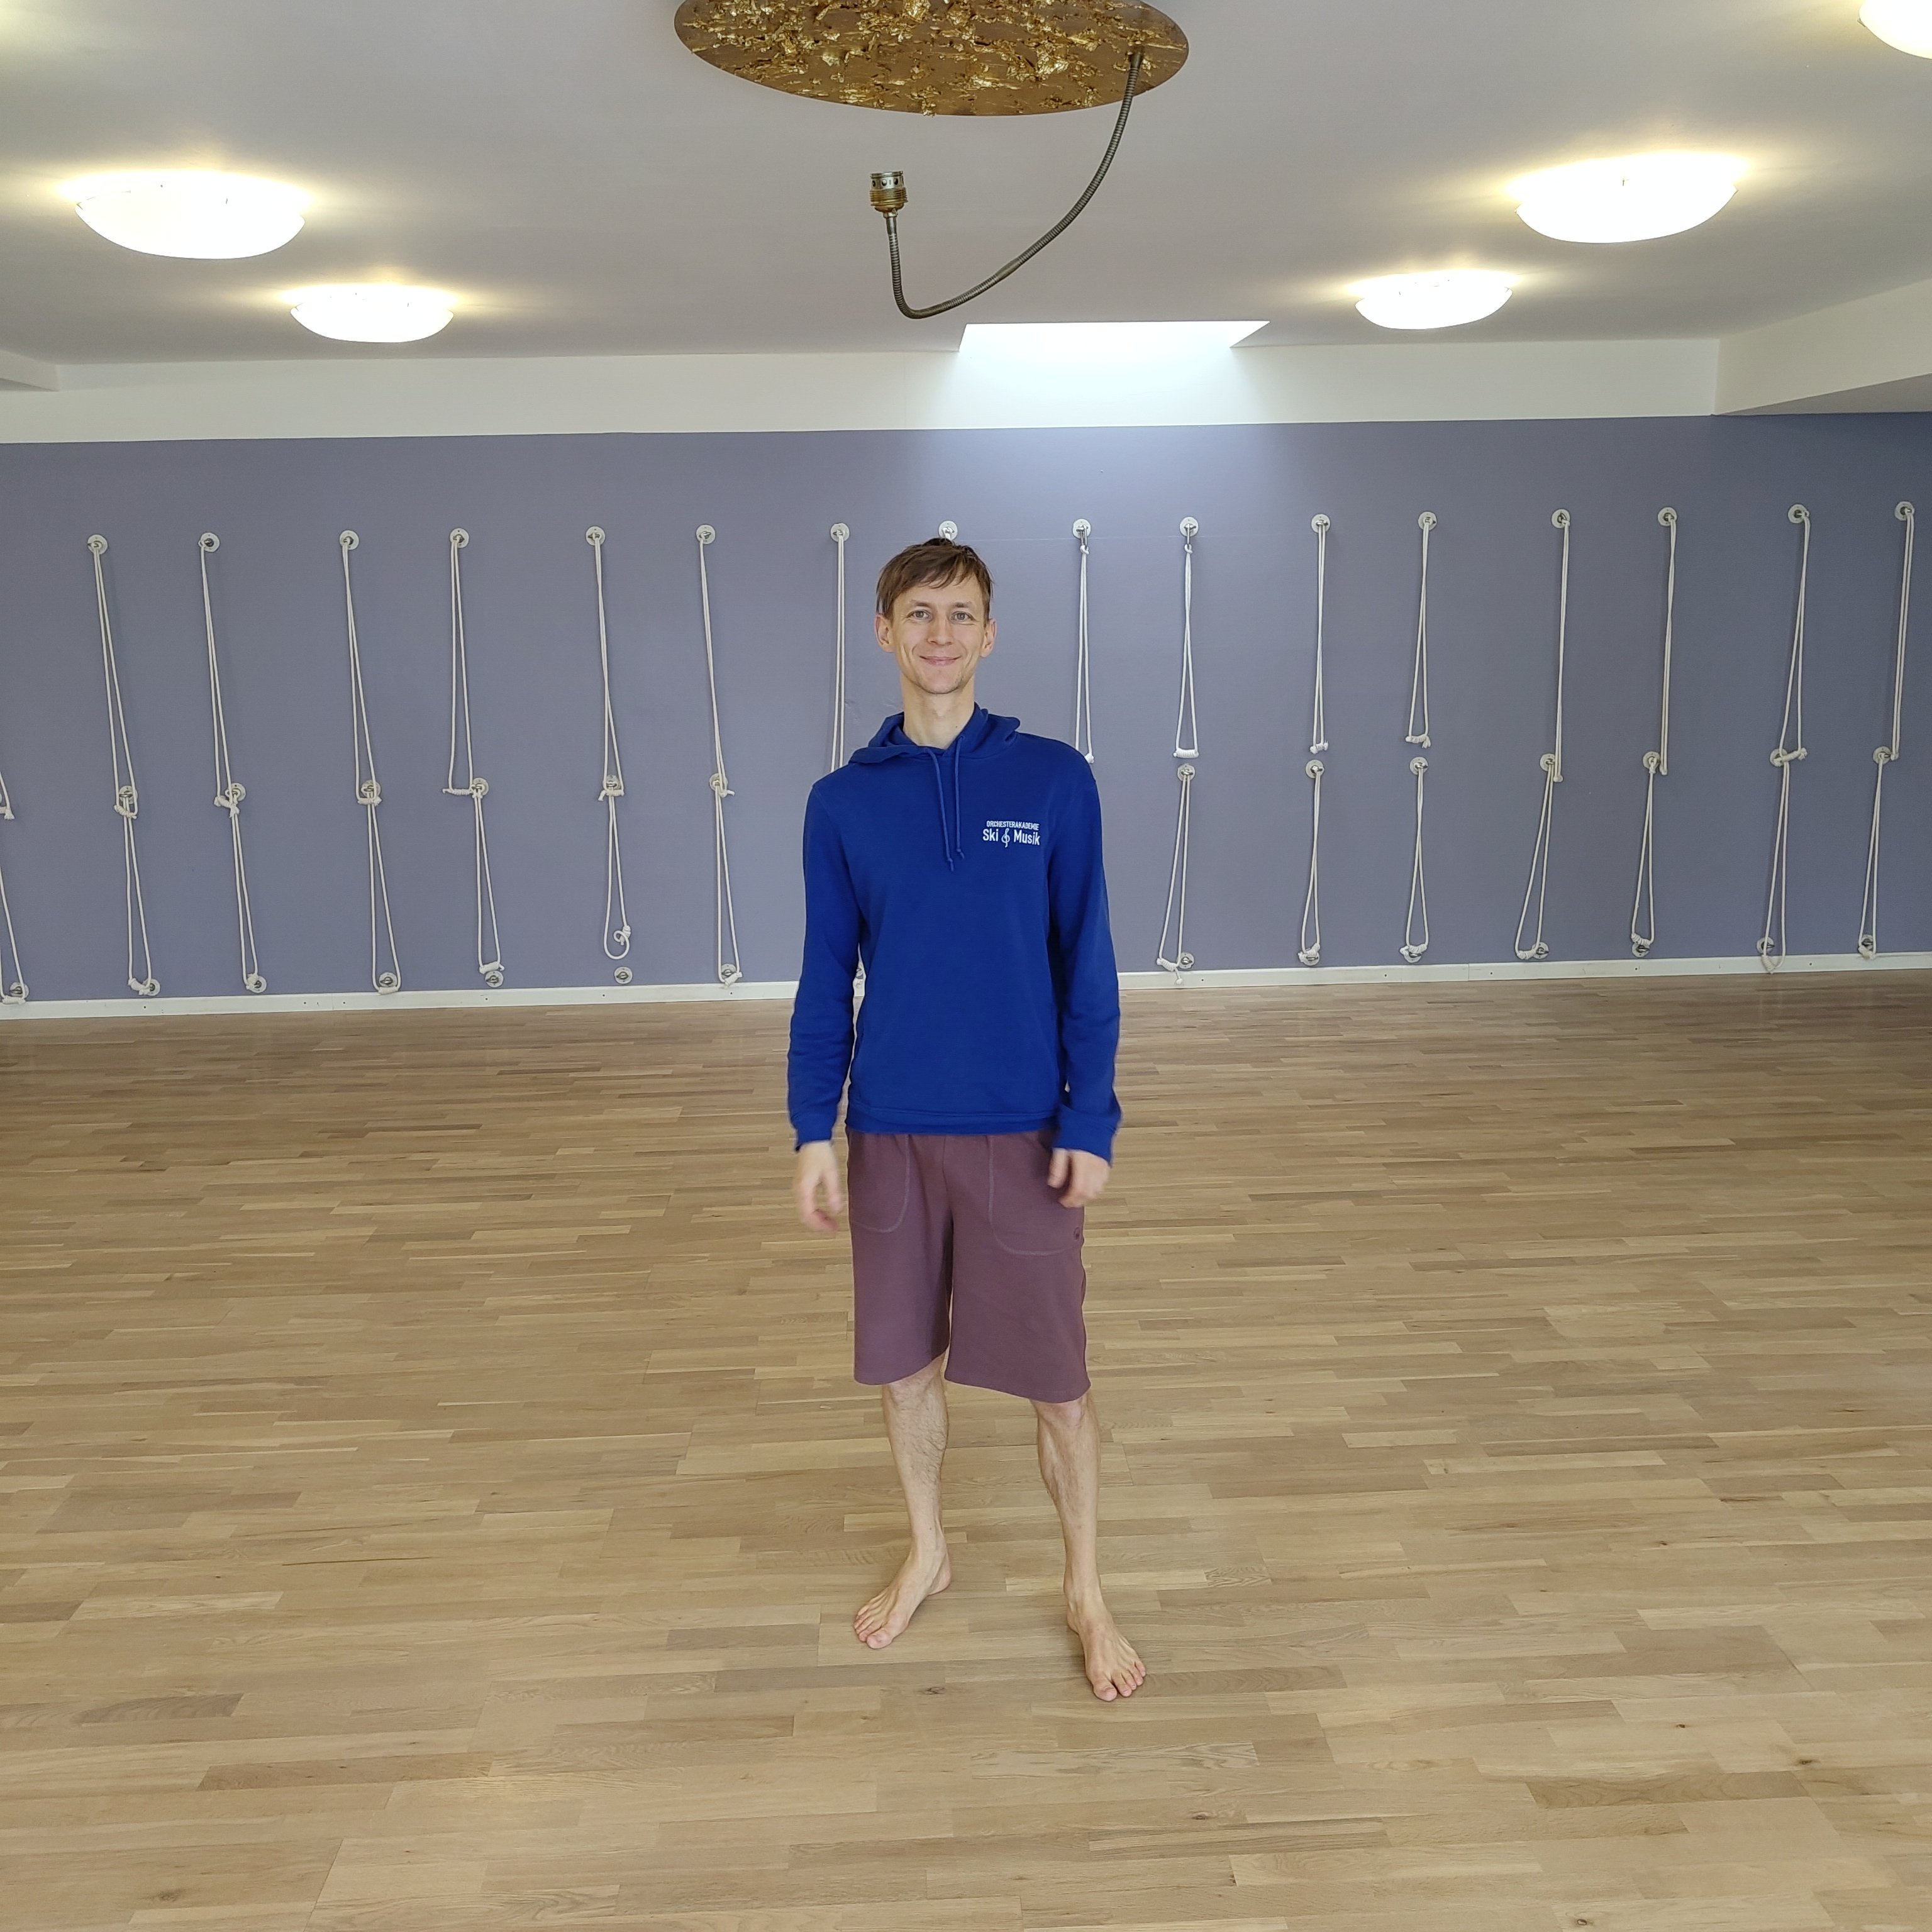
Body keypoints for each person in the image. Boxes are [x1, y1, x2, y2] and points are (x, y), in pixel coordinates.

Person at [787, 536, 1143, 1702]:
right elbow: (822, 971)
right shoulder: (842, 804)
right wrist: (812, 1128)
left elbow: (1086, 959)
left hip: (1021, 1131)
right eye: (920, 614)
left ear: (989, 637)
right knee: (904, 1373)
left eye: (962, 615)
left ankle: (1086, 1591)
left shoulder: (1052, 780)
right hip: (891, 1129)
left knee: (1062, 1387)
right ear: (884, 632)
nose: (940, 634)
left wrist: (1090, 1120)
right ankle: (929, 1549)